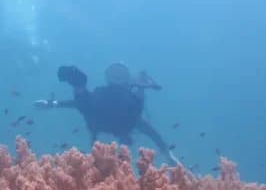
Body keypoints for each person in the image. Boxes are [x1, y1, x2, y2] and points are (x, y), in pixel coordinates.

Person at [35, 63, 179, 165]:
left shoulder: (102, 95)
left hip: (99, 118)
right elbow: (152, 132)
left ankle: (79, 86)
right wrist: (168, 154)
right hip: (124, 118)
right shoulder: (130, 113)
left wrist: (52, 104)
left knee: (86, 102)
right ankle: (140, 89)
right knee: (134, 106)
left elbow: (77, 104)